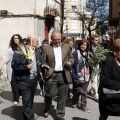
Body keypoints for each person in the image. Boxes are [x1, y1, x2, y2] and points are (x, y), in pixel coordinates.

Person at [11, 34, 49, 120]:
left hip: (34, 80)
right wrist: (25, 67)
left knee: (29, 101)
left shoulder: (36, 50)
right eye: (36, 41)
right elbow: (14, 66)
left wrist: (44, 64)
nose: (38, 42)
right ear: (31, 41)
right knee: (27, 101)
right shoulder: (19, 50)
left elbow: (40, 59)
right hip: (24, 80)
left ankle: (26, 116)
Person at [41, 30, 74, 120]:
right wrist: (43, 66)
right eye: (55, 39)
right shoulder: (46, 48)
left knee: (62, 96)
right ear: (51, 39)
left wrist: (69, 62)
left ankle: (60, 114)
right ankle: (47, 108)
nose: (57, 41)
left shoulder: (67, 47)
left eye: (59, 39)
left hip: (64, 74)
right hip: (51, 74)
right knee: (49, 94)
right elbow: (42, 60)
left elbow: (71, 58)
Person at [99, 39, 120, 120]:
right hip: (109, 96)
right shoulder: (108, 61)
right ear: (115, 51)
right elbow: (104, 80)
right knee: (104, 115)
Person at [0, 34, 22, 105]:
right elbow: (4, 58)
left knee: (20, 83)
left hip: (21, 69)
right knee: (14, 84)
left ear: (20, 39)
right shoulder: (10, 49)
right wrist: (0, 66)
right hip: (12, 70)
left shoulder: (22, 48)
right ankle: (15, 98)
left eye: (17, 38)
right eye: (14, 38)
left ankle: (20, 94)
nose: (16, 39)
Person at [72, 39, 90, 113]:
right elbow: (72, 64)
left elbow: (90, 64)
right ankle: (74, 100)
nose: (83, 46)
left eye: (85, 45)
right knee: (78, 91)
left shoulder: (88, 54)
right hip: (78, 75)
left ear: (87, 46)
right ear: (79, 45)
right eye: (82, 44)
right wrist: (72, 72)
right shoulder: (76, 53)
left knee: (84, 92)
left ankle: (83, 106)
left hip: (86, 75)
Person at [88, 35, 100, 101]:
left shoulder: (100, 48)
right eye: (96, 40)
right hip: (92, 66)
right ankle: (96, 96)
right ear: (92, 41)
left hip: (98, 66)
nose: (97, 41)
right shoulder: (89, 48)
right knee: (94, 80)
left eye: (98, 40)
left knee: (97, 80)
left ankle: (92, 91)